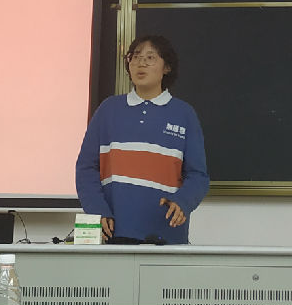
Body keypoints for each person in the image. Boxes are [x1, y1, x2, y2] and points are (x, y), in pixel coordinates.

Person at [75, 35, 209, 244]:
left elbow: (198, 175)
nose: (141, 63)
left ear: (167, 67)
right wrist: (97, 210)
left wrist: (183, 202)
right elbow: (86, 168)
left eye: (150, 57)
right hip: (114, 233)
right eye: (135, 57)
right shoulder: (109, 110)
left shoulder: (184, 114)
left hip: (166, 235)